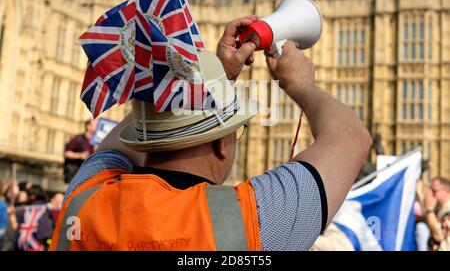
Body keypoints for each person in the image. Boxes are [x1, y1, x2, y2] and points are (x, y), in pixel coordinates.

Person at [50, 16, 372, 251]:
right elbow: (352, 136)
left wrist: (206, 77)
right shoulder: (246, 221)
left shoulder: (85, 198)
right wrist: (300, 83)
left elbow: (119, 144)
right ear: (221, 144)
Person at [15, 185, 55, 251]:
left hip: (23, 246)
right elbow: (47, 232)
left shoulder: (23, 210)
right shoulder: (45, 209)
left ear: (32, 196)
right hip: (38, 246)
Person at [63, 119, 97, 184]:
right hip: (75, 175)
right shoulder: (77, 139)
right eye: (95, 125)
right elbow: (67, 153)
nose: (98, 126)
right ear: (88, 126)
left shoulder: (95, 142)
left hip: (88, 175)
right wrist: (80, 155)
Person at [424, 177, 450, 251]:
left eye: (434, 191)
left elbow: (439, 235)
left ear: (447, 191)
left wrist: (429, 210)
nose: (430, 194)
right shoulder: (439, 210)